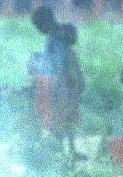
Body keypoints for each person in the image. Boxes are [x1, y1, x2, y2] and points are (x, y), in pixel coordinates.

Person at [31, 7, 86, 160]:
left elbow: (57, 64)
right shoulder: (61, 34)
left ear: (44, 23)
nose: (39, 30)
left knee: (59, 117)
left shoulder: (54, 38)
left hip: (60, 82)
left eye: (38, 26)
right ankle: (70, 149)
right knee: (68, 116)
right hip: (68, 79)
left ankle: (63, 151)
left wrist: (53, 84)